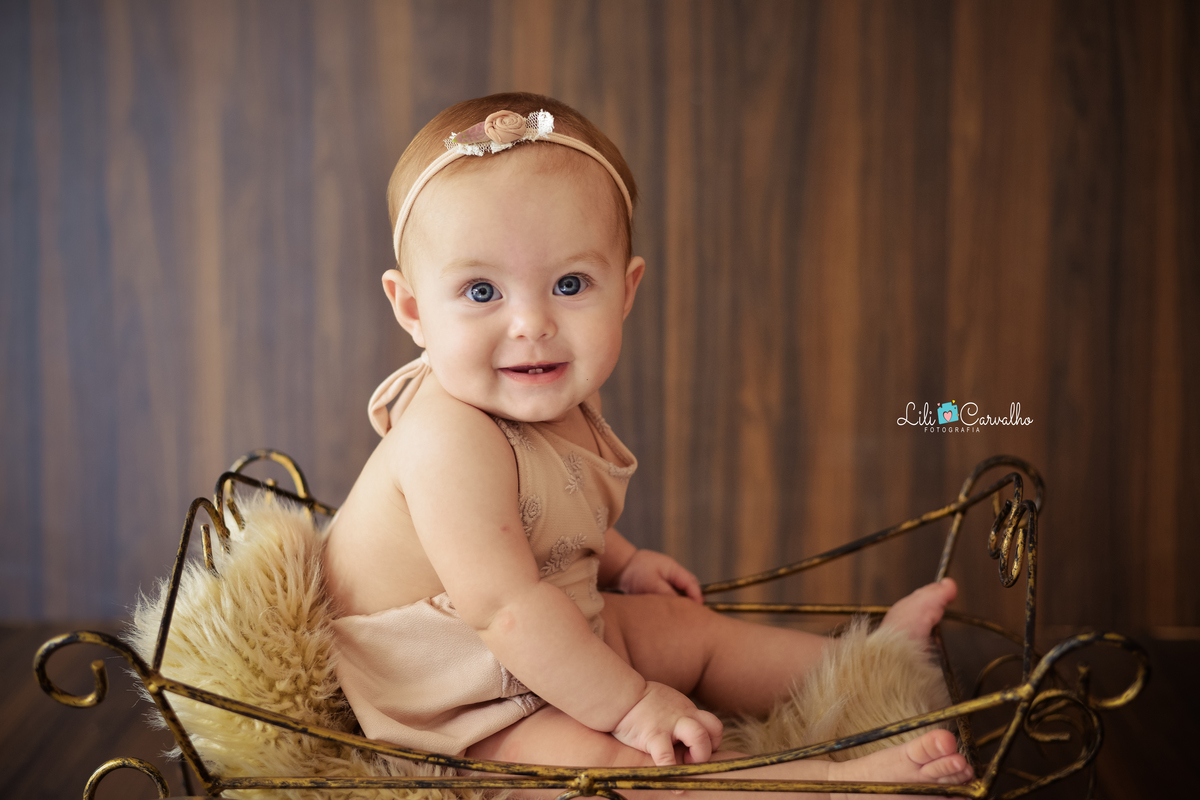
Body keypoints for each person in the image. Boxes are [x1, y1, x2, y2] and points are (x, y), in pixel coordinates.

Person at [322, 92, 973, 798]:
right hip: (458, 698)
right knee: (610, 767)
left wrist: (625, 564)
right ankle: (822, 784)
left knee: (685, 630)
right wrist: (632, 706)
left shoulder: (557, 393)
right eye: (481, 292)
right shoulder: (448, 439)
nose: (531, 324)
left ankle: (867, 663)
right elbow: (503, 607)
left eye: (570, 284)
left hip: (548, 629)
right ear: (413, 309)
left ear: (625, 290)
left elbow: (547, 520)